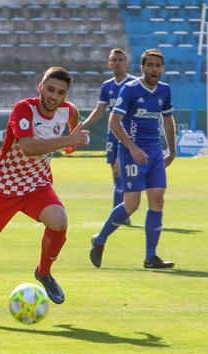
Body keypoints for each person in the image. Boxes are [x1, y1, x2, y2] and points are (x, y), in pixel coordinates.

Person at [0, 67, 90, 321]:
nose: (54, 96)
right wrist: (68, 141)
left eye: (61, 92)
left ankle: (43, 273)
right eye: (50, 89)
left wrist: (71, 144)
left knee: (59, 221)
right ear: (40, 87)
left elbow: (73, 127)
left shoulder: (69, 110)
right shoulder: (24, 109)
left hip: (37, 186)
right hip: (3, 189)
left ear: (66, 95)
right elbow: (28, 147)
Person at [89, 49, 176, 269]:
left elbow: (167, 121)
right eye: (151, 65)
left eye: (158, 65)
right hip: (131, 152)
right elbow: (114, 122)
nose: (154, 69)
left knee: (157, 198)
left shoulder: (164, 90)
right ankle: (100, 239)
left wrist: (172, 151)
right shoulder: (130, 90)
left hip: (154, 152)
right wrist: (133, 148)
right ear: (142, 68)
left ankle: (150, 257)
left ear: (162, 69)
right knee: (132, 204)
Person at [77, 48, 137, 226]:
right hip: (113, 135)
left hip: (129, 134)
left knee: (120, 171)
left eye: (121, 59)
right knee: (116, 174)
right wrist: (82, 125)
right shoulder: (107, 86)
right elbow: (99, 111)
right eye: (114, 60)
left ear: (126, 63)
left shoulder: (134, 83)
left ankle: (119, 213)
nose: (117, 62)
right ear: (109, 64)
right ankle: (122, 212)